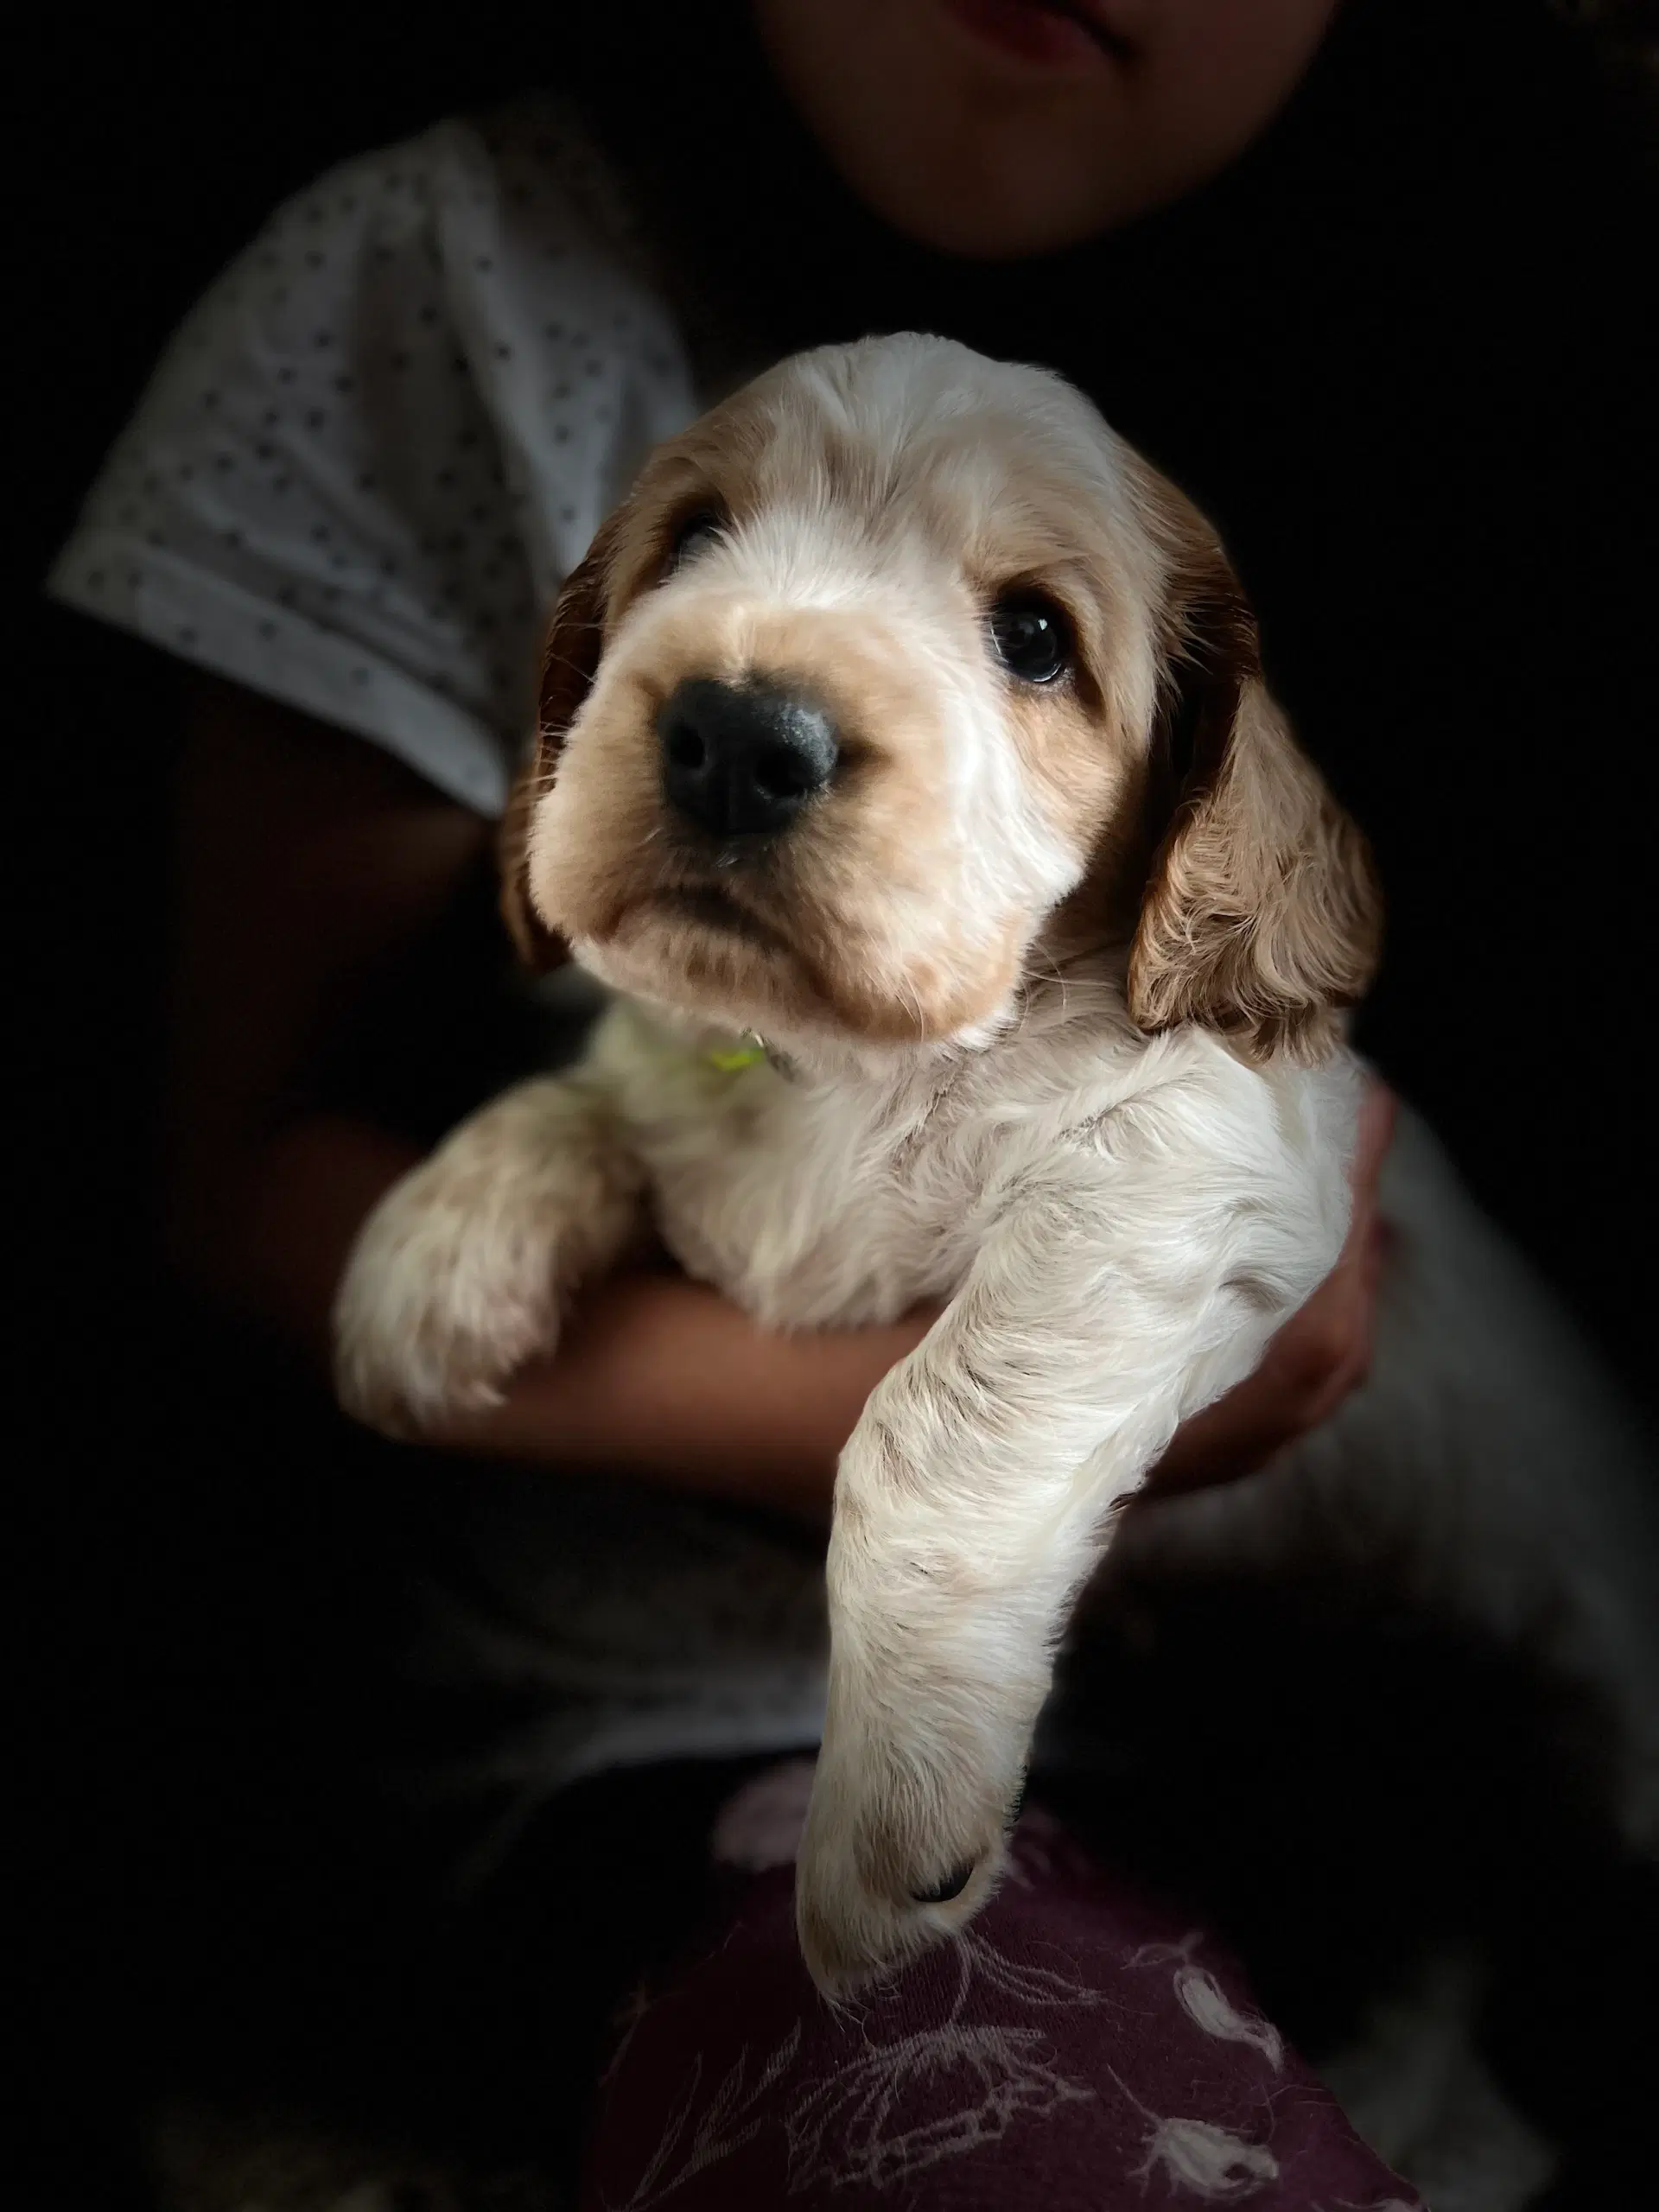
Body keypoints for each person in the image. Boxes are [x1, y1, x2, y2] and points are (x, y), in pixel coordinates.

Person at [46, 0, 1654, 2202]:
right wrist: (569, 1171)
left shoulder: (1484, 319)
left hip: (1444, 1722)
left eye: (1025, 632)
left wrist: (949, 1488)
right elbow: (295, 1160)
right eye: (701, 537)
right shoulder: (459, 285)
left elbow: (1242, 1191)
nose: (752, 707)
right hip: (675, 1740)